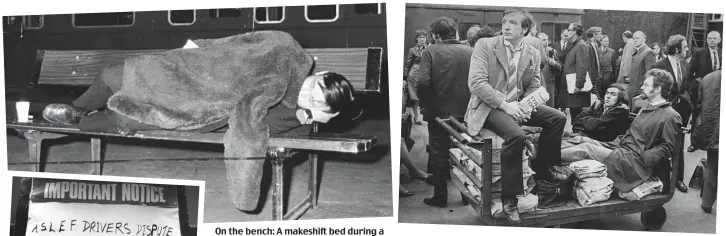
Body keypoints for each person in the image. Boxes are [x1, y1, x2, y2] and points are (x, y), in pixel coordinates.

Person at [41, 31, 357, 212]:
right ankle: (76, 111)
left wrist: (310, 114)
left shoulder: (291, 112)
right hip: (188, 76)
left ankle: (76, 121)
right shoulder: (285, 49)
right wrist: (198, 49)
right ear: (321, 74)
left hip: (195, 112)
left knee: (124, 118)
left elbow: (248, 133)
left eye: (315, 105)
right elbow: (237, 42)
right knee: (114, 72)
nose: (306, 96)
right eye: (314, 91)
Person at [465, 8, 566, 223]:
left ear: (526, 29)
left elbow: (533, 86)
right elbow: (476, 83)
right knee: (516, 136)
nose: (506, 27)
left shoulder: (533, 53)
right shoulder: (486, 45)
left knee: (558, 118)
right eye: (504, 22)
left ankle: (545, 171)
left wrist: (526, 106)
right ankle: (509, 199)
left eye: (512, 23)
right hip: (489, 106)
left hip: (517, 104)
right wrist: (507, 106)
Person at [560, 68, 681, 195]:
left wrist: (644, 158)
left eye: (646, 85)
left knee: (587, 148)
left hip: (632, 161)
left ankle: (545, 158)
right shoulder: (647, 107)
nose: (641, 87)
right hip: (620, 147)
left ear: (658, 89)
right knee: (582, 140)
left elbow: (667, 147)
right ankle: (540, 150)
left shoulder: (670, 115)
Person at [416, 16, 473, 208]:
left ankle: (440, 197)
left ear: (435, 35)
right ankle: (468, 195)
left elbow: (423, 82)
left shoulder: (430, 51)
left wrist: (426, 104)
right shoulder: (470, 51)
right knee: (464, 151)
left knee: (439, 151)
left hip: (438, 112)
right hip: (465, 113)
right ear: (454, 33)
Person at [652, 34, 691, 193]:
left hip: (681, 111)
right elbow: (654, 90)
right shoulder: (660, 65)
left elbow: (685, 87)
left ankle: (678, 178)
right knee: (661, 143)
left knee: (679, 144)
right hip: (663, 110)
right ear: (676, 48)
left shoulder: (684, 65)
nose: (687, 49)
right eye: (685, 46)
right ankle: (657, 177)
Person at [687, 31, 721, 152]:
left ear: (719, 40)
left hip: (718, 91)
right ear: (706, 40)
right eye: (709, 38)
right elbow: (689, 71)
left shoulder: (722, 53)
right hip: (701, 91)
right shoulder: (700, 53)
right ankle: (693, 143)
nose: (711, 40)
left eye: (714, 38)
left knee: (715, 116)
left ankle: (712, 142)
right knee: (697, 115)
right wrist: (696, 82)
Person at [692, 70, 719, 214]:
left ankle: (707, 203)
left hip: (712, 131)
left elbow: (699, 104)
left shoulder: (708, 78)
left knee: (712, 166)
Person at [558, 23, 591, 121]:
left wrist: (579, 85)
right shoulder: (575, 45)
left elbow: (582, 66)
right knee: (574, 111)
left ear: (575, 32)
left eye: (569, 30)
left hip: (575, 86)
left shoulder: (581, 45)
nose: (567, 32)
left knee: (576, 112)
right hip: (571, 84)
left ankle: (577, 132)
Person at [627, 31, 657, 111]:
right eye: (634, 38)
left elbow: (650, 75)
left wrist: (644, 91)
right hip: (632, 90)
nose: (635, 40)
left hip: (640, 92)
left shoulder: (648, 52)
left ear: (644, 39)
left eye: (637, 38)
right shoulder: (636, 52)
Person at [404, 29, 429, 124]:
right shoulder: (412, 50)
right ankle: (417, 117)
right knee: (415, 97)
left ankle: (425, 116)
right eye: (420, 37)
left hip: (425, 73)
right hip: (414, 74)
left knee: (424, 95)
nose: (422, 39)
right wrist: (405, 77)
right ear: (416, 39)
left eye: (424, 37)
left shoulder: (429, 49)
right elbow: (408, 64)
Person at [538, 32, 562, 107]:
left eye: (547, 40)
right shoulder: (535, 51)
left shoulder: (552, 51)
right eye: (543, 40)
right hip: (538, 81)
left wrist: (554, 63)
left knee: (549, 103)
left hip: (549, 82)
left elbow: (560, 68)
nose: (546, 41)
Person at [586, 27, 603, 99]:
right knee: (596, 97)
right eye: (600, 33)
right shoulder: (588, 46)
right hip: (591, 78)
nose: (601, 36)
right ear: (594, 34)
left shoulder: (595, 46)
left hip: (596, 77)